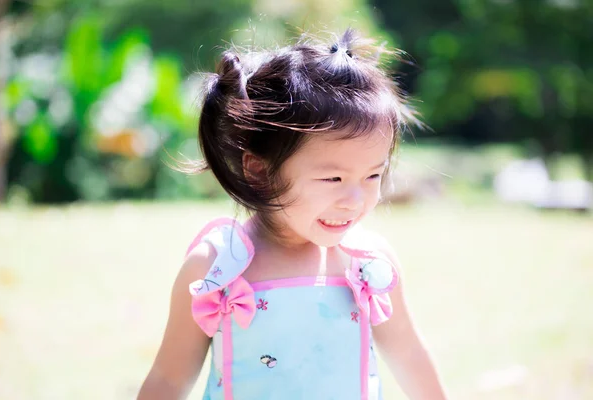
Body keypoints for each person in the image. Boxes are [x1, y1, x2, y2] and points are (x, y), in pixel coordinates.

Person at [138, 29, 448, 400]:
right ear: (258, 169)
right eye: (332, 177)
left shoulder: (369, 264)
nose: (354, 199)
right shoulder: (216, 267)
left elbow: (408, 353)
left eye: (373, 175)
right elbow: (169, 379)